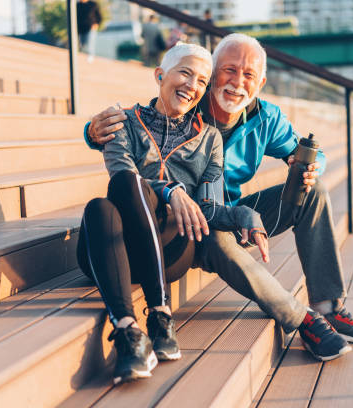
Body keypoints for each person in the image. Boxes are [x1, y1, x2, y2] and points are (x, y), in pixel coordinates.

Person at [83, 33, 353, 362]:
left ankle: (328, 307)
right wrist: (92, 132)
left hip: (226, 213)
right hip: (187, 224)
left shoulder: (267, 118)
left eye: (249, 74)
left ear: (261, 82)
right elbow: (143, 128)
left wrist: (312, 168)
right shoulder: (190, 96)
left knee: (314, 192)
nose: (238, 82)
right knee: (217, 234)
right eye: (228, 69)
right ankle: (303, 320)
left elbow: (311, 155)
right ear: (212, 73)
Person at [77, 43, 266, 384]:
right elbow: (122, 177)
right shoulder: (123, 120)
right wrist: (170, 189)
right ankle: (133, 330)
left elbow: (207, 209)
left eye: (201, 81)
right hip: (114, 250)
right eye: (185, 73)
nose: (193, 86)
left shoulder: (210, 139)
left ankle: (152, 318)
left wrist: (242, 216)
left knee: (118, 192)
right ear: (160, 76)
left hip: (171, 250)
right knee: (100, 207)